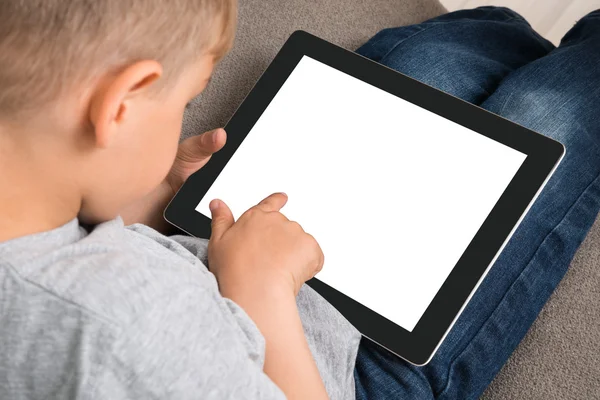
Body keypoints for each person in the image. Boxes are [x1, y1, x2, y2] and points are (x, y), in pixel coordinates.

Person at [0, 1, 597, 399]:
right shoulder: (129, 331)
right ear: (121, 105)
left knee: (428, 64)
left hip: (241, 263)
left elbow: (73, 253)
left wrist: (150, 191)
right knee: (549, 115)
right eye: (187, 97)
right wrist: (259, 287)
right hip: (347, 363)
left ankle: (516, 33)